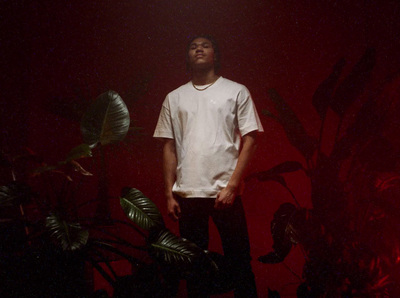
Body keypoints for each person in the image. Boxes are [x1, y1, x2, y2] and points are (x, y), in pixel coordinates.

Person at [153, 34, 263, 297]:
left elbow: (251, 139)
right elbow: (168, 146)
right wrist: (169, 193)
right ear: (187, 57)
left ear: (216, 54)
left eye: (205, 45)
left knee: (240, 262)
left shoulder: (236, 91)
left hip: (225, 192)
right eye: (192, 46)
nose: (198, 49)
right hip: (188, 194)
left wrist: (233, 185)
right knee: (193, 267)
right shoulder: (174, 97)